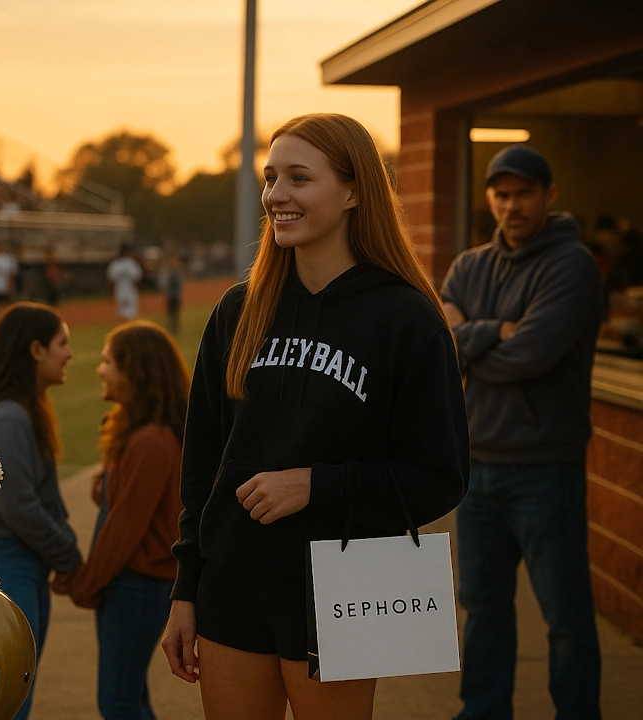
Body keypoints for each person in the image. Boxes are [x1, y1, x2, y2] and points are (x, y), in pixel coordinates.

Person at [160, 113, 469, 720]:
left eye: (299, 178)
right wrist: (186, 588)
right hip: (233, 580)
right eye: (271, 178)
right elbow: (203, 464)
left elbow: (440, 476)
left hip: (346, 584)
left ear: (354, 191)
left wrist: (315, 485)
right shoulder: (239, 309)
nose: (277, 195)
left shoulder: (406, 319)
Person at [440, 144, 603, 720]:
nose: (511, 206)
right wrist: (497, 331)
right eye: (501, 194)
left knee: (564, 615)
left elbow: (530, 356)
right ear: (489, 198)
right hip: (478, 465)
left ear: (549, 195)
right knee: (482, 606)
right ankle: (482, 712)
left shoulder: (572, 265)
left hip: (545, 470)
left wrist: (470, 337)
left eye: (524, 193)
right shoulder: (467, 266)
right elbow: (441, 347)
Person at [0, 301, 83, 720]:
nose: (70, 354)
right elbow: (19, 506)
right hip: (2, 566)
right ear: (35, 350)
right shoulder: (9, 415)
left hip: (9, 564)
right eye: (62, 343)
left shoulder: (18, 409)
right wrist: (68, 554)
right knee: (7, 705)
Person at [56, 320, 189, 720]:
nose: (100, 369)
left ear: (136, 372)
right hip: (137, 585)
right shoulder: (144, 433)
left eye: (108, 361)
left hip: (137, 586)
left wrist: (86, 583)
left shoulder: (151, 440)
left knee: (118, 701)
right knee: (130, 696)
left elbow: (123, 530)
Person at [107, 243, 143, 320]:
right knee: (132, 316)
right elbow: (137, 279)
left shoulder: (115, 264)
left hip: (119, 292)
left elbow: (111, 280)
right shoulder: (132, 264)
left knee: (121, 315)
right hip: (131, 292)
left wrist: (110, 292)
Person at [162, 252, 184, 335]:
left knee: (175, 313)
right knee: (171, 313)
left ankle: (175, 328)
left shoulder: (176, 273)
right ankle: (173, 327)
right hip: (172, 295)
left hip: (175, 295)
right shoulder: (171, 272)